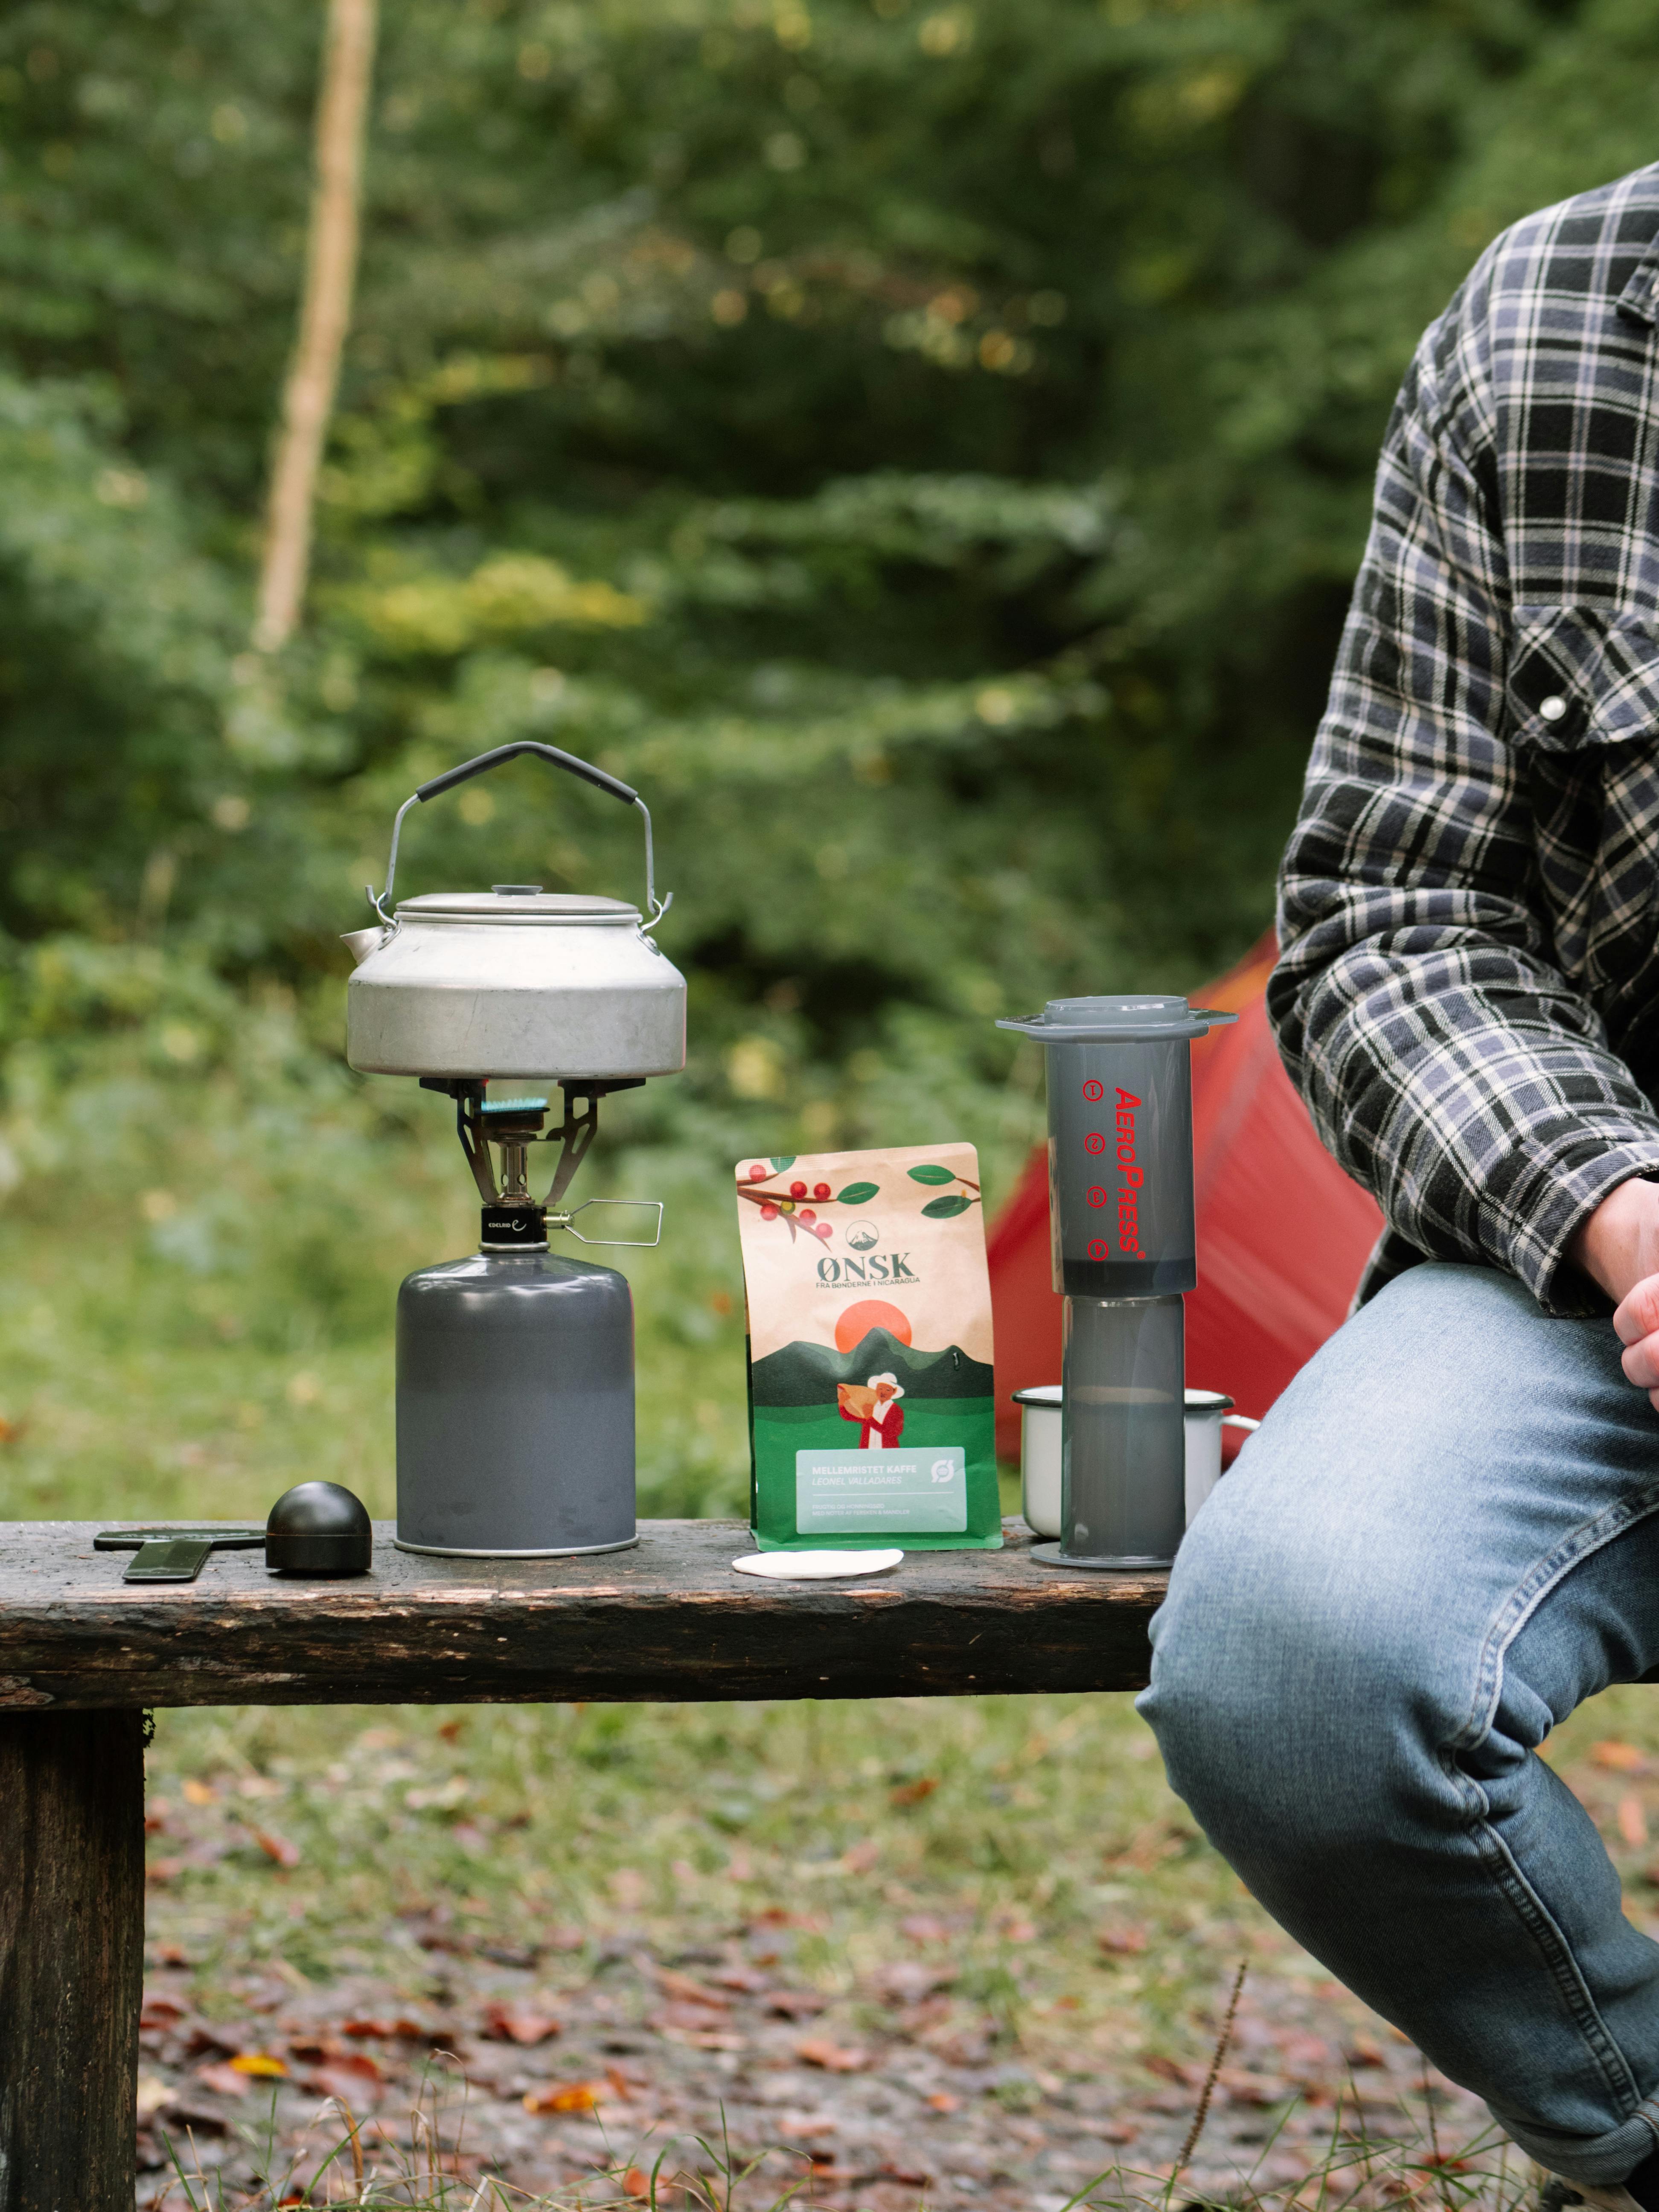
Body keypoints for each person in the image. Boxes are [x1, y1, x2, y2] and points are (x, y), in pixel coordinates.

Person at [1140, 163, 1659, 2212]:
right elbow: (1394, 909)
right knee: (1297, 1668)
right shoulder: (1549, 322)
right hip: (1594, 1228)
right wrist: (1621, 1204)